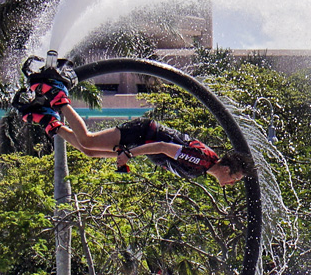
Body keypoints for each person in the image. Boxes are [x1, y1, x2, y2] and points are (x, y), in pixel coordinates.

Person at [13, 52, 251, 185]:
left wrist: (131, 154)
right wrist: (129, 154)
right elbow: (162, 146)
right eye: (234, 178)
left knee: (89, 151)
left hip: (142, 144)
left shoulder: (204, 167)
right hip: (144, 135)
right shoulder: (202, 160)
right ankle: (56, 93)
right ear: (227, 169)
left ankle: (48, 120)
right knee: (88, 140)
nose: (232, 183)